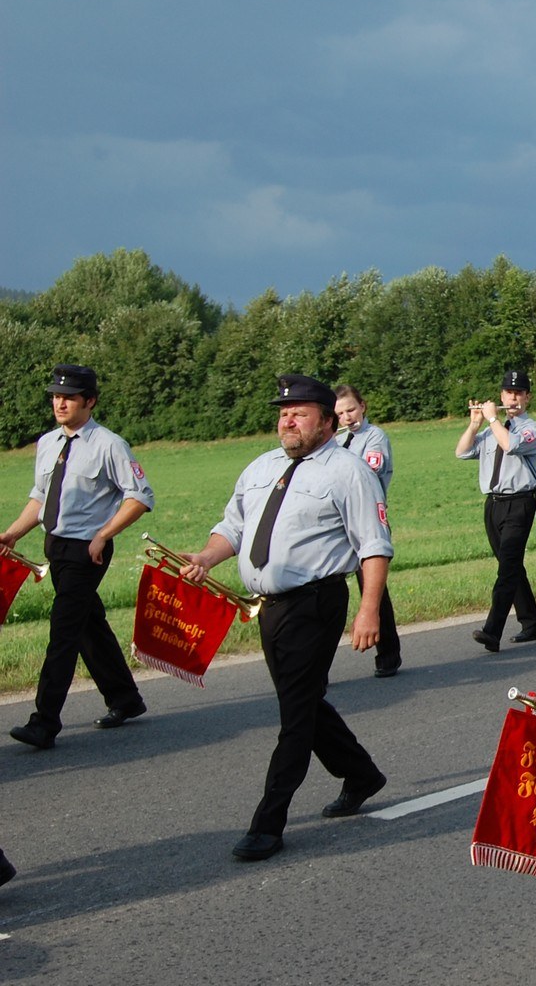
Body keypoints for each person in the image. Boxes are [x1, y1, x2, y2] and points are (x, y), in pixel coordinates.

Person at [178, 374, 391, 861]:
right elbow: (232, 526)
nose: (287, 421)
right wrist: (207, 557)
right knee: (304, 702)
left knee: (295, 715)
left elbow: (374, 546)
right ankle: (360, 773)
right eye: (283, 413)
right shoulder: (262, 467)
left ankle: (268, 823)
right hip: (269, 608)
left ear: (327, 420)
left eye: (299, 413)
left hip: (315, 604)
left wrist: (368, 611)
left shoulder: (349, 472)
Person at [3, 365, 153, 750]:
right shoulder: (48, 443)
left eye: (69, 398)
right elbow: (40, 497)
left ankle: (44, 722)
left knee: (63, 631)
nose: (60, 403)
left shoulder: (109, 444)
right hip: (55, 545)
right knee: (88, 624)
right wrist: (13, 533)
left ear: (90, 401)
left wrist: (104, 535)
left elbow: (139, 497)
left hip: (88, 550)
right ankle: (125, 697)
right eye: (56, 397)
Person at [456, 369, 536, 651]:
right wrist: (474, 424)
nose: (513, 398)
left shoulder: (532, 429)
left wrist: (493, 419)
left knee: (507, 569)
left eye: (519, 393)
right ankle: (531, 623)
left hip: (519, 503)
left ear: (527, 397)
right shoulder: (489, 431)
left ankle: (492, 631)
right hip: (493, 505)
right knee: (511, 566)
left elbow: (509, 444)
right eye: (509, 393)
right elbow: (461, 452)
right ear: (501, 395)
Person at [334, 384, 401, 678]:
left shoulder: (375, 437)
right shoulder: (337, 441)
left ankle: (388, 653)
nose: (347, 418)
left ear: (362, 406)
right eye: (339, 414)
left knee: (372, 589)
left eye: (350, 410)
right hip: (338, 523)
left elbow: (366, 473)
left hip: (366, 521)